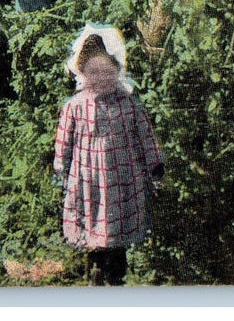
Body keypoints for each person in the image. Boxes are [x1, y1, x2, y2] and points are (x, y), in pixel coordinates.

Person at [53, 25, 164, 285]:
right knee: (93, 236)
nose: (100, 77)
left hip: (122, 183)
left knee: (117, 239)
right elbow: (64, 143)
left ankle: (117, 281)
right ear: (82, 72)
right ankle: (96, 277)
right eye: (93, 71)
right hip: (87, 183)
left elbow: (145, 136)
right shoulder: (75, 106)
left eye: (106, 71)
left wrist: (155, 165)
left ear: (116, 70)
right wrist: (60, 171)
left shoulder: (128, 104)